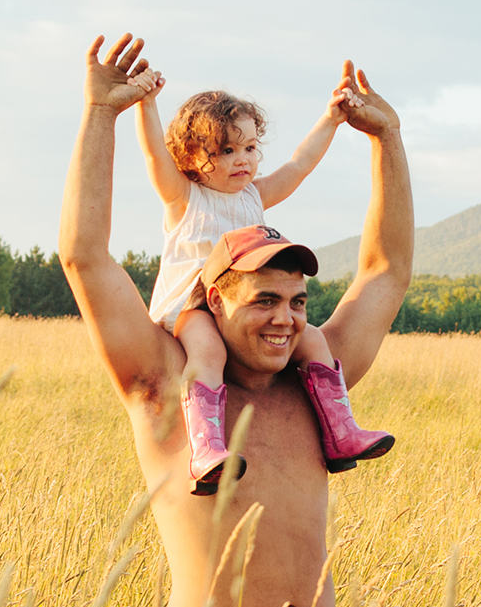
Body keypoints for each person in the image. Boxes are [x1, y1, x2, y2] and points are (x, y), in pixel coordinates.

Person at [57, 33, 414, 607]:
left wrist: (388, 140)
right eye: (263, 301)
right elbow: (85, 257)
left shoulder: (318, 385)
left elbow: (385, 272)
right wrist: (100, 115)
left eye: (296, 302)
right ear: (212, 299)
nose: (286, 320)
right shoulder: (163, 381)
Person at [132, 82, 393, 493]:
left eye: (251, 149)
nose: (243, 161)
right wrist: (145, 103)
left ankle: (341, 433)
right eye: (226, 151)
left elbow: (299, 164)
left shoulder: (254, 196)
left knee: (312, 338)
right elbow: (152, 156)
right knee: (208, 349)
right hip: (192, 308)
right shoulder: (184, 198)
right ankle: (207, 448)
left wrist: (332, 118)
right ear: (191, 157)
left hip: (242, 307)